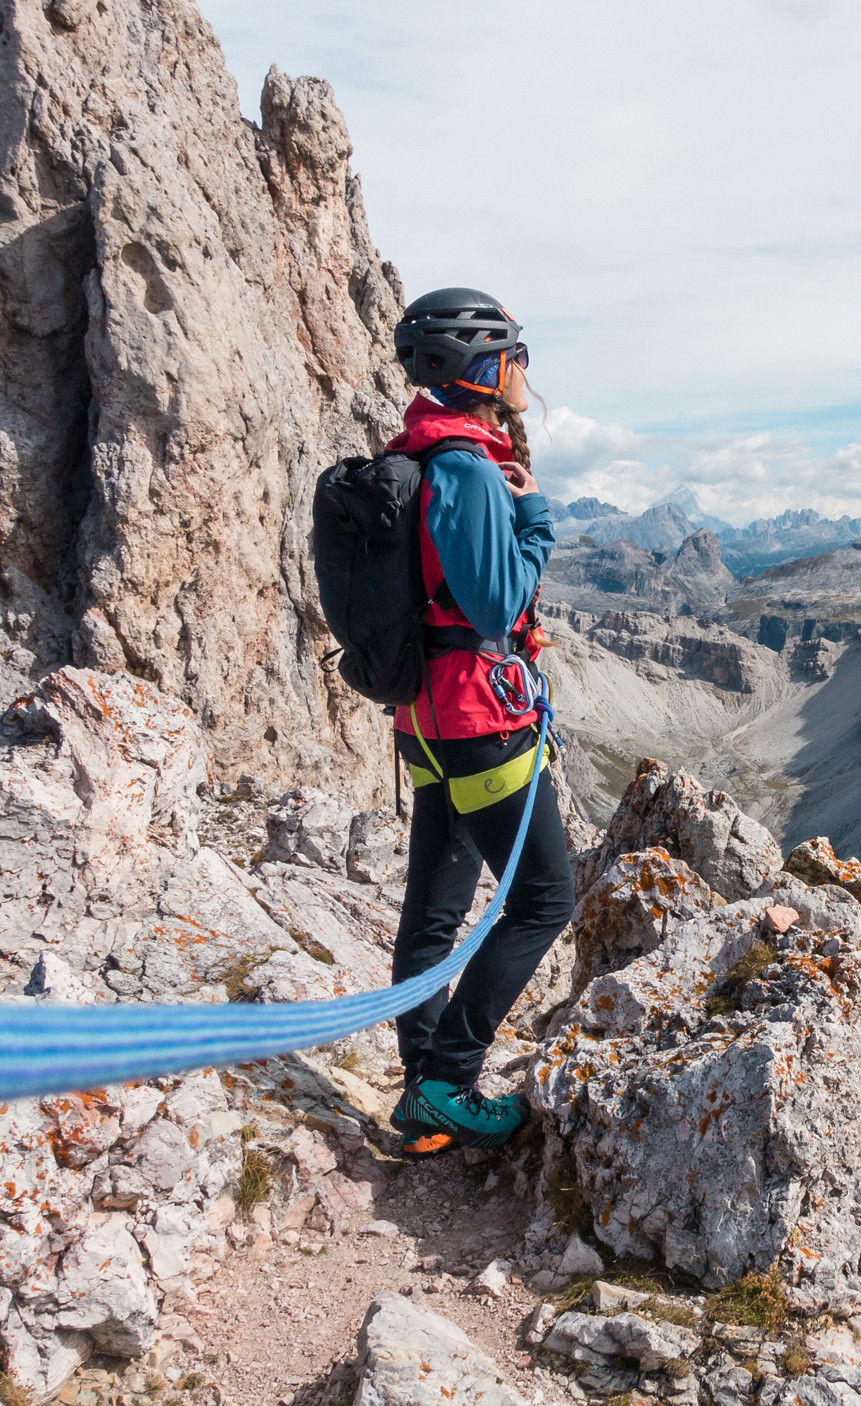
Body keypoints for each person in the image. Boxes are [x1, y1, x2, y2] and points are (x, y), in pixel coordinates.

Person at [382, 287, 576, 1155]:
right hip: (475, 716)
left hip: (427, 713)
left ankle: (424, 1087)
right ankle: (450, 1081)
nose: (525, 368)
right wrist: (534, 520)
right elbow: (497, 605)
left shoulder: (428, 451)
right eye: (517, 353)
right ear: (484, 366)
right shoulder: (462, 462)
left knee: (438, 904)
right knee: (543, 900)